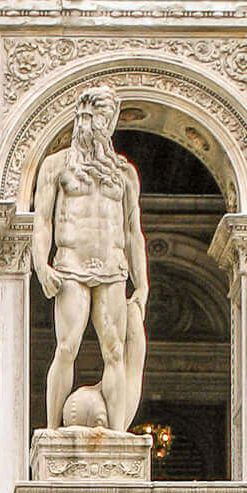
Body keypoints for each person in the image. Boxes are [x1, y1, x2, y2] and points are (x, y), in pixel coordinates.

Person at [31, 83, 149, 433]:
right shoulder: (57, 166)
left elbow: (132, 232)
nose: (105, 126)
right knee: (66, 347)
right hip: (71, 267)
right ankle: (52, 431)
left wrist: (141, 284)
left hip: (113, 269)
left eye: (110, 118)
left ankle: (115, 434)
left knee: (114, 352)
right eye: (100, 117)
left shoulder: (124, 173)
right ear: (83, 117)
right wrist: (42, 264)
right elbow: (43, 221)